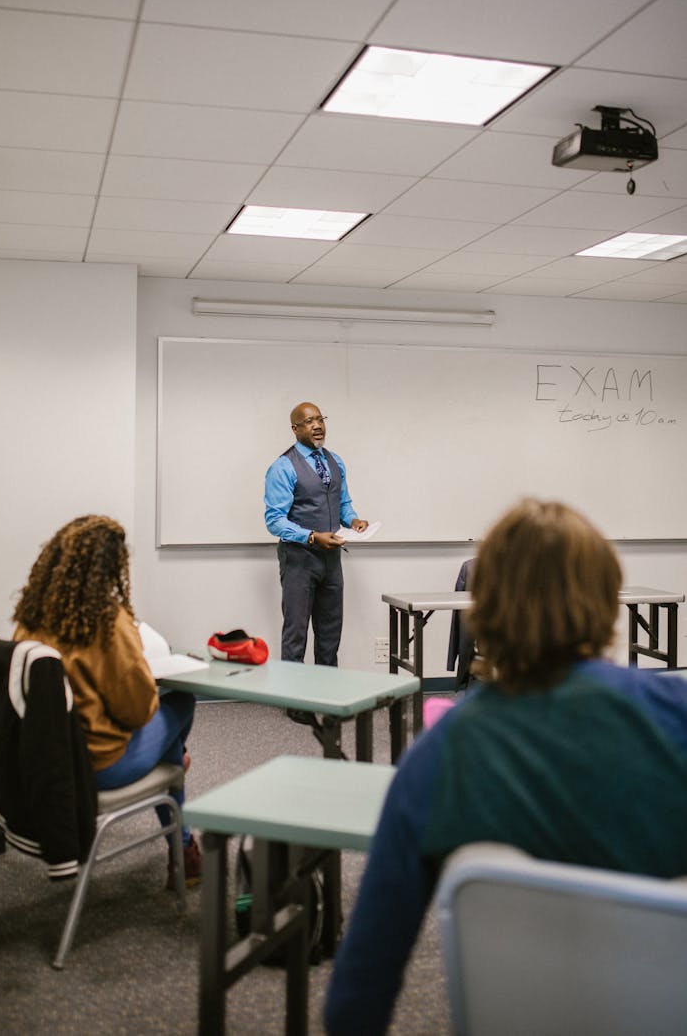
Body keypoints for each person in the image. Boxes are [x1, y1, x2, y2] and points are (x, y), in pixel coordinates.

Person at [325, 498, 687, 1036]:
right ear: (606, 600)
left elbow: (355, 999)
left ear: (482, 606)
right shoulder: (674, 716)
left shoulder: (437, 756)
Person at [12, 514, 201, 888]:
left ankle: (184, 847)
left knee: (168, 741)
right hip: (97, 767)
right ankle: (183, 849)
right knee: (180, 702)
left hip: (38, 762)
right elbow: (136, 710)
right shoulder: (106, 622)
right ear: (111, 567)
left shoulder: (29, 619)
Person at [264, 402, 368, 671]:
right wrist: (311, 537)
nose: (317, 425)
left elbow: (343, 503)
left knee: (330, 632)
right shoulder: (283, 467)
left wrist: (354, 520)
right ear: (295, 429)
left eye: (320, 419)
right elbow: (274, 521)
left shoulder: (335, 461)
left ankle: (326, 693)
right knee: (296, 632)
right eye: (309, 421)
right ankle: (296, 701)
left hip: (331, 560)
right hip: (299, 559)